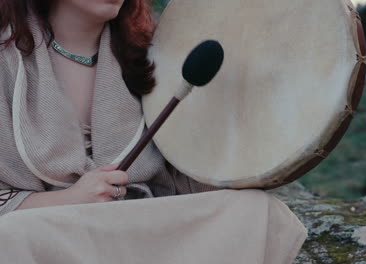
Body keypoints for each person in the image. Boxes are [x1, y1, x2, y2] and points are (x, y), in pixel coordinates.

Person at [0, 1, 306, 263]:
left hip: (139, 223)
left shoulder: (155, 58)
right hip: (48, 234)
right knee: (11, 235)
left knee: (254, 210)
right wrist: (73, 198)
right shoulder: (6, 61)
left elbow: (186, 178)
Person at [0, 0, 219, 215]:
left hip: (144, 235)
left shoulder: (159, 60)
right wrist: (66, 200)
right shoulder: (6, 60)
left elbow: (196, 186)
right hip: (34, 244)